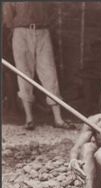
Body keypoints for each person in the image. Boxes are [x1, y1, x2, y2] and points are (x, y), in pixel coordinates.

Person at [3, 2, 74, 130]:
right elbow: (8, 13)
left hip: (43, 31)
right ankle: (29, 119)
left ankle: (58, 119)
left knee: (50, 74)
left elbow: (54, 9)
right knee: (23, 74)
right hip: (21, 31)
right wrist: (13, 29)